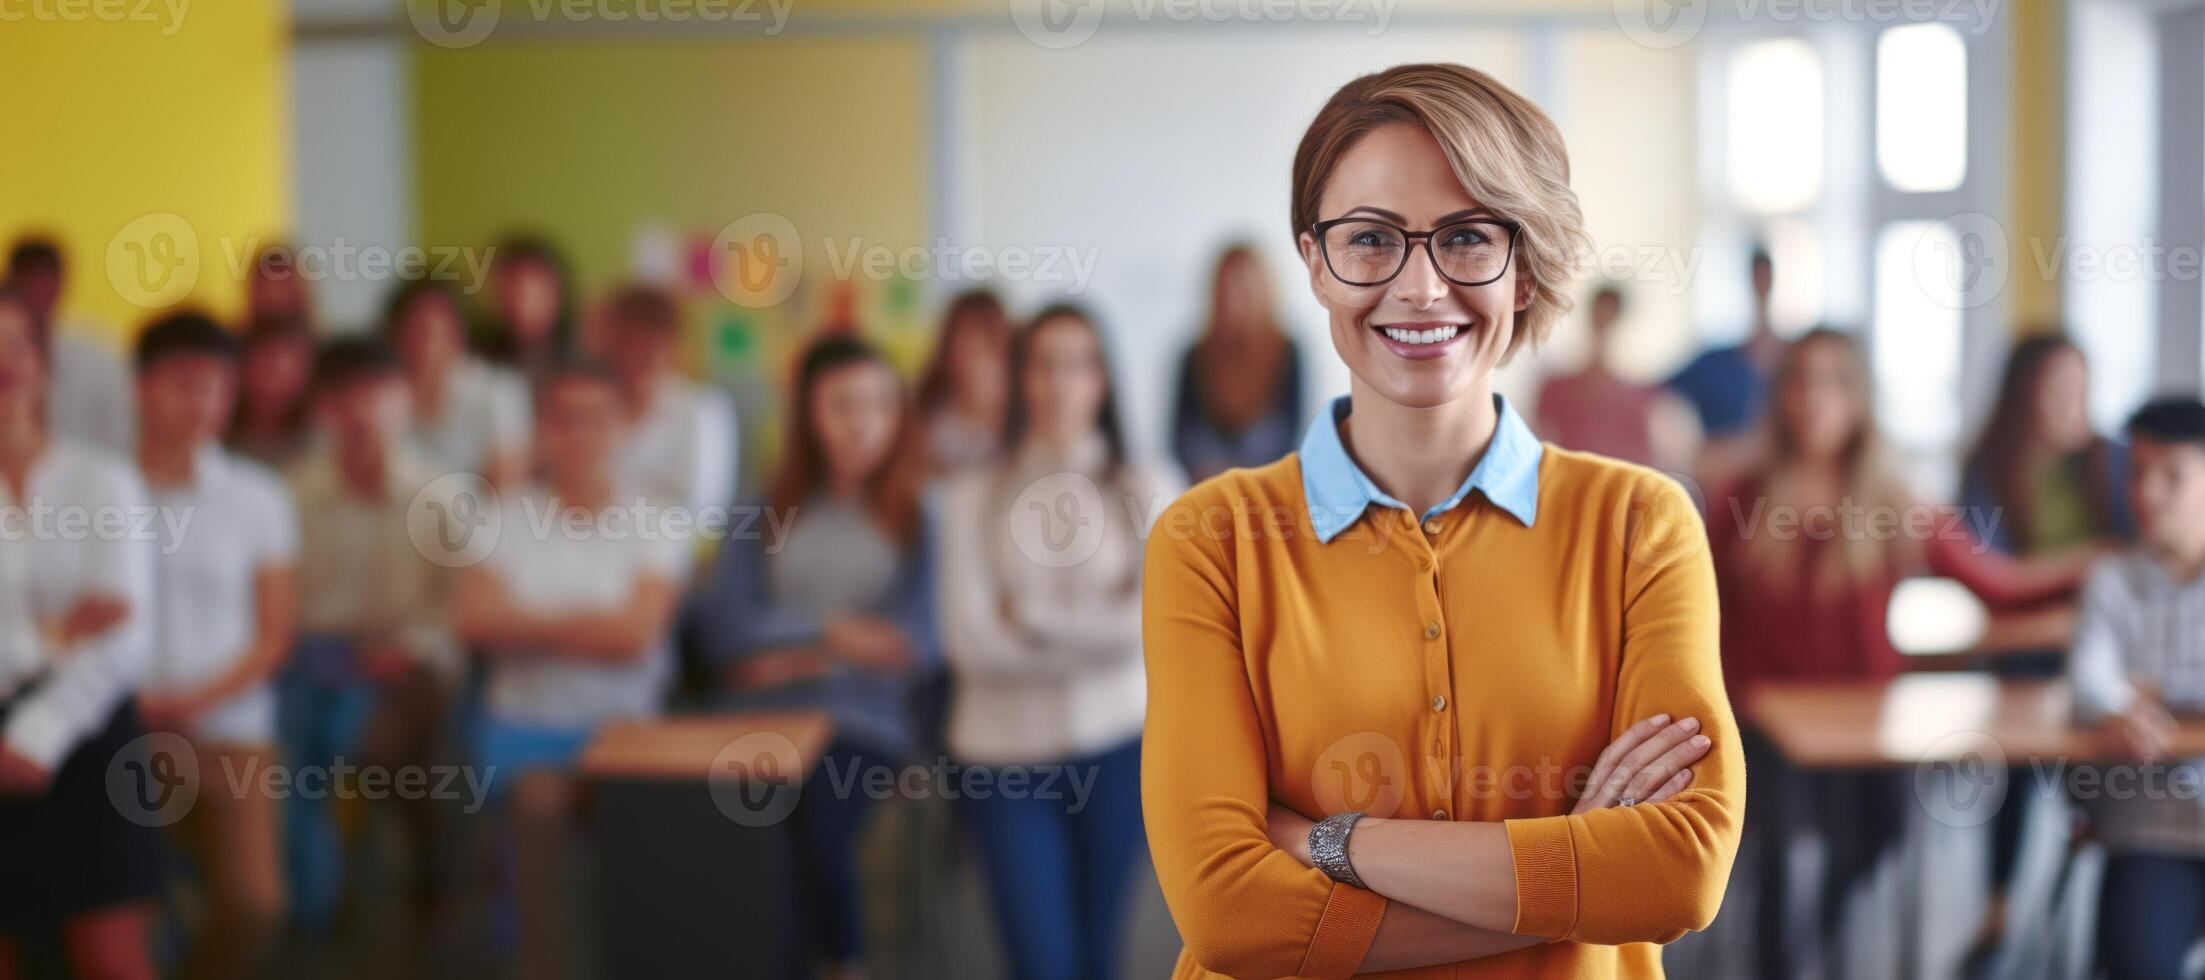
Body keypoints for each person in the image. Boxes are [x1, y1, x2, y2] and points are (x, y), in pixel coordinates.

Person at [1142, 64, 1737, 980]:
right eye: (1371, 239)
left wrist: (1333, 845)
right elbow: (1228, 912)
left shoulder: (1640, 525)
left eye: (1465, 239)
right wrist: (1580, 871)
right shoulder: (1208, 539)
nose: (1419, 289)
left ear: (1526, 266)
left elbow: (1679, 873)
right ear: (1313, 264)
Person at [1707, 328, 2096, 979]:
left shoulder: (1892, 501)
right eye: (1798, 380)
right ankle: (1789, 958)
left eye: (1832, 382)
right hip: (1760, 732)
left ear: (1858, 398)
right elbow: (1694, 614)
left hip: (1869, 737)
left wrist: (2102, 566)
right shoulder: (1736, 496)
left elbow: (1998, 586)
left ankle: (1816, 949)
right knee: (1782, 856)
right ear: (1778, 395)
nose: (1812, 398)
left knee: (1868, 845)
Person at [937, 305, 1180, 980]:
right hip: (1002, 760)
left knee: (1098, 958)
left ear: (1101, 380)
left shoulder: (1146, 485)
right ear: (1017, 378)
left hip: (1116, 748)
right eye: (1041, 363)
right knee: (1041, 964)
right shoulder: (971, 493)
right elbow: (971, 646)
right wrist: (1102, 626)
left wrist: (1033, 619)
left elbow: (1158, 627)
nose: (1058, 382)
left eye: (1077, 363)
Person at [694, 334, 937, 979]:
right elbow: (727, 629)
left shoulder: (918, 513)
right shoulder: (761, 501)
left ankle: (840, 964)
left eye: (880, 406)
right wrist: (837, 633)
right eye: (843, 406)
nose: (863, 425)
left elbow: (917, 642)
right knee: (740, 849)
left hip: (861, 723)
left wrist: (795, 653)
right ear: (808, 413)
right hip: (753, 715)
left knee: (817, 833)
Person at [451, 357, 684, 979]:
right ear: (541, 429)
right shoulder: (500, 516)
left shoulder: (656, 519)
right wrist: (588, 625)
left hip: (628, 734)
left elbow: (635, 636)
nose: (579, 435)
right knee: (538, 810)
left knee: (665, 841)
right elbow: (475, 622)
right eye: (563, 419)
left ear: (622, 428)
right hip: (524, 728)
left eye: (596, 420)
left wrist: (530, 624)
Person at [0, 288, 165, 980]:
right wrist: (53, 635)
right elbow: (85, 621)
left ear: (43, 362)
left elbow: (125, 632)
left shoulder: (104, 479)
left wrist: (38, 731)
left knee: (112, 958)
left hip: (91, 728)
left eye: (16, 346)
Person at [1955, 330, 2133, 965]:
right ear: (2024, 395)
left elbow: (2137, 575)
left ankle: (2110, 896)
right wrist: (2087, 573)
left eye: (2079, 390)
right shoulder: (1989, 467)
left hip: (2106, 653)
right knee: (2014, 764)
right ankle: (2000, 906)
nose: (2071, 404)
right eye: (2057, 390)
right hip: (2025, 657)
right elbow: (1992, 587)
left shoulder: (2114, 460)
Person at [130, 312, 298, 979]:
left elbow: (274, 634)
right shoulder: (102, 491)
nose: (202, 403)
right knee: (122, 909)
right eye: (183, 384)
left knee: (255, 903)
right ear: (142, 387)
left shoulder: (258, 498)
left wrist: (193, 700)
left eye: (217, 388)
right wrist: (140, 705)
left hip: (230, 727)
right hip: (122, 727)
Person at [282, 337, 465, 938]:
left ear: (407, 402)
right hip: (314, 657)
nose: (361, 412)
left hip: (409, 659)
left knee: (369, 741)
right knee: (292, 743)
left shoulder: (442, 495)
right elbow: (282, 604)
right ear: (322, 408)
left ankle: (406, 876)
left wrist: (401, 651)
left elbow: (459, 610)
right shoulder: (293, 493)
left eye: (377, 395)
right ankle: (317, 904)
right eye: (343, 397)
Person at [2066, 397, 2205, 980]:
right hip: (2154, 830)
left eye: (2172, 476)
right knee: (2139, 960)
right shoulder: (2111, 579)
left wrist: (2160, 688)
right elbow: (2089, 677)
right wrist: (2123, 702)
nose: (2147, 494)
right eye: (2138, 472)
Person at [599, 283, 737, 518]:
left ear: (671, 346)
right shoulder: (593, 404)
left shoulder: (701, 409)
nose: (636, 355)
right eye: (628, 342)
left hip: (672, 546)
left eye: (649, 345)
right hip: (591, 544)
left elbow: (705, 508)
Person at [1169, 244, 1304, 483]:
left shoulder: (1287, 351)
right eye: (1229, 288)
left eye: (1245, 288)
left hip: (1268, 488)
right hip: (1206, 488)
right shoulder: (1193, 355)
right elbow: (1180, 437)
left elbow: (1291, 434)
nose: (1237, 298)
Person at [383, 278, 531, 489]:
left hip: (481, 517)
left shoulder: (499, 390)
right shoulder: (378, 395)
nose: (425, 345)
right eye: (414, 331)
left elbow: (506, 481)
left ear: (459, 333)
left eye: (435, 330)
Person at [1666, 247, 1785, 489]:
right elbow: (1658, 394)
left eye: (1766, 277)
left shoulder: (1796, 362)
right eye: (1757, 277)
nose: (1761, 284)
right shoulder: (1713, 365)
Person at [4, 236, 134, 454]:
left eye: (48, 280)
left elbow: (121, 425)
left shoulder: (99, 350)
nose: (40, 291)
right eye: (31, 281)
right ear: (13, 282)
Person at [1533, 283, 1672, 467]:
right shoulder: (1556, 388)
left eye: (1609, 317)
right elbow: (1538, 446)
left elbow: (1649, 458)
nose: (1604, 326)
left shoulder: (1642, 396)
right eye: (1599, 317)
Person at [915, 288, 1013, 473]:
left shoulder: (1023, 418)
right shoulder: (927, 421)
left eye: (987, 348)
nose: (976, 363)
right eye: (967, 347)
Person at [226, 312, 318, 469]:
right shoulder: (216, 439)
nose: (271, 385)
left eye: (280, 370)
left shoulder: (320, 441)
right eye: (263, 365)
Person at [476, 238, 574, 377]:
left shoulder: (581, 362)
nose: (521, 305)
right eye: (512, 289)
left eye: (531, 290)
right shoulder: (477, 363)